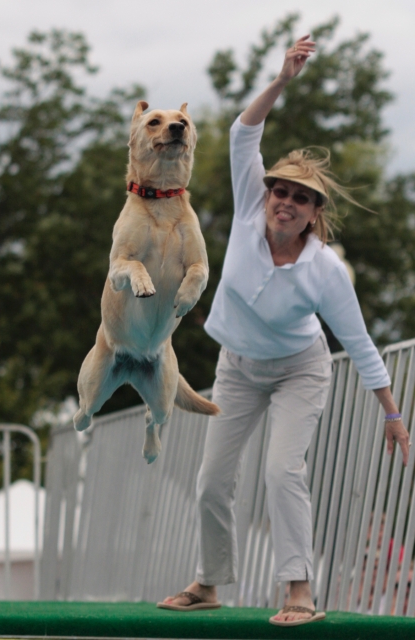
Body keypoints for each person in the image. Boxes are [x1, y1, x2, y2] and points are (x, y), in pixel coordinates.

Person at [159, 35, 411, 626]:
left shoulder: (324, 270)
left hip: (300, 369)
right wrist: (280, 80)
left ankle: (299, 590)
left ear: (313, 212)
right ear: (267, 193)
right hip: (237, 368)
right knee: (212, 480)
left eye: (300, 198)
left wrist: (393, 415)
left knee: (281, 471)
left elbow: (360, 344)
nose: (286, 202)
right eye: (281, 191)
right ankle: (209, 582)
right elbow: (244, 135)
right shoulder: (249, 208)